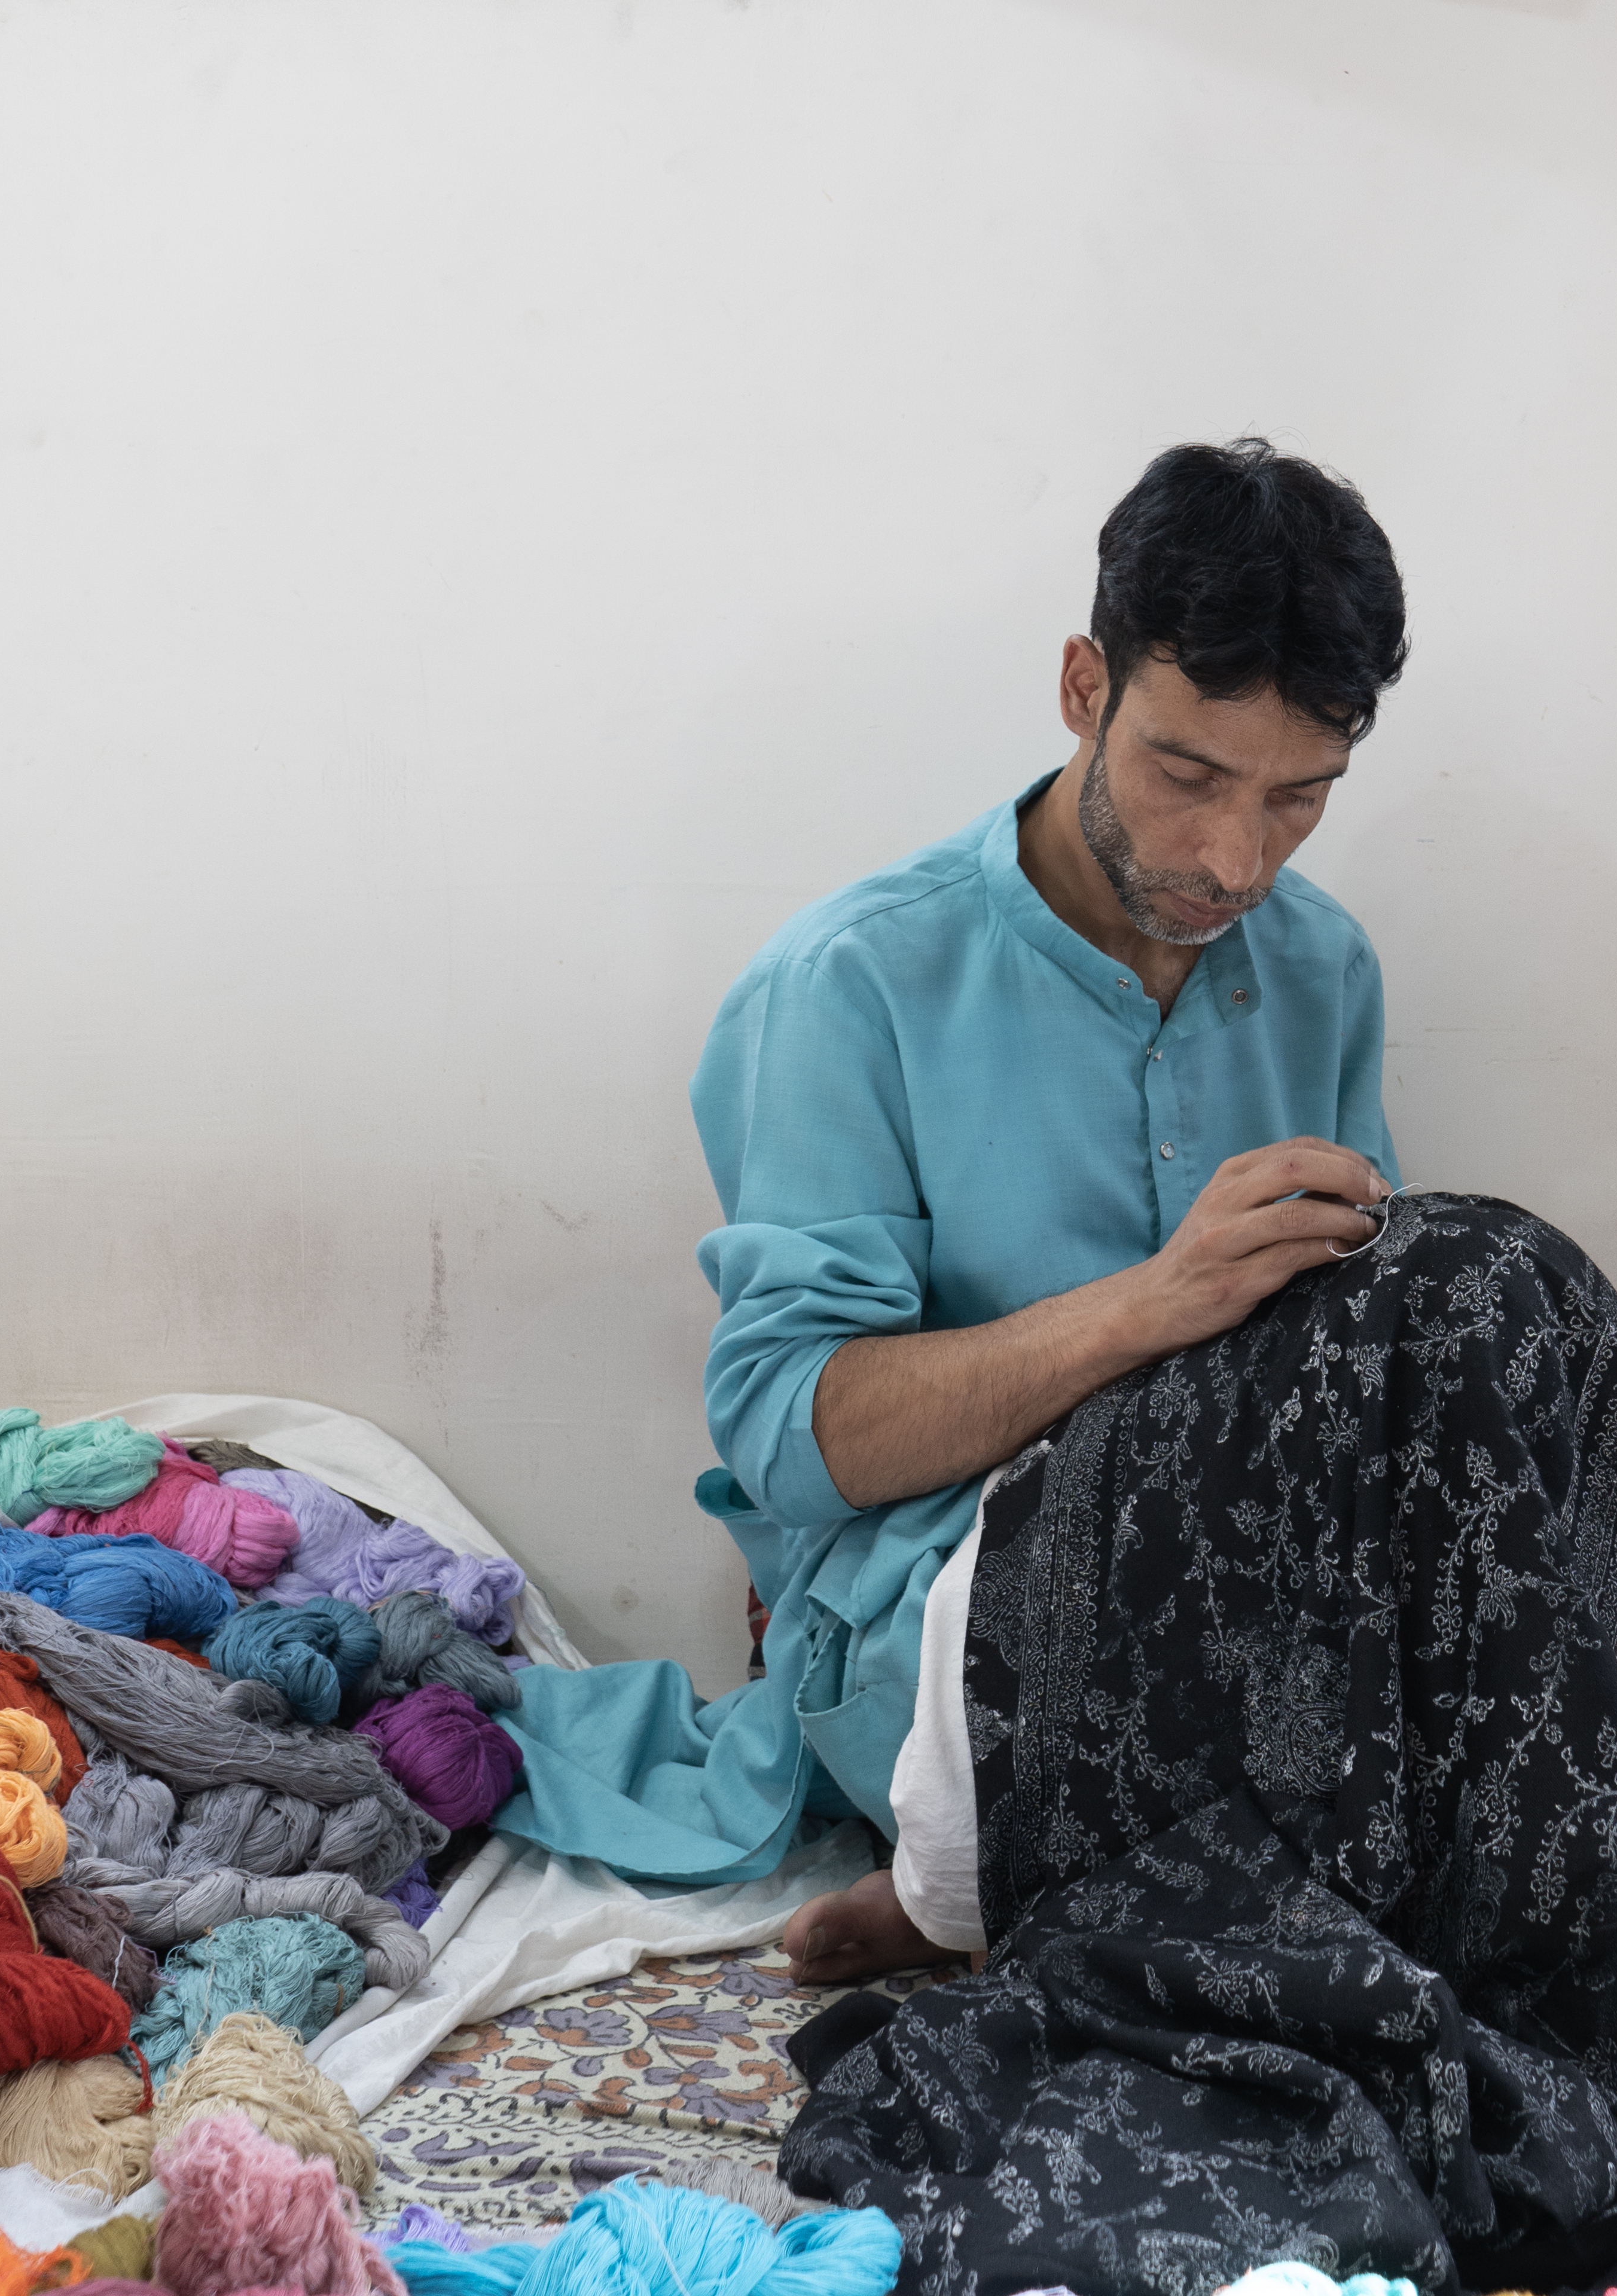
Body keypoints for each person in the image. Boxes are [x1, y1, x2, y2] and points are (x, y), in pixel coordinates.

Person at [495, 437, 1412, 1955]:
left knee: (1518, 1375)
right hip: (945, 1612)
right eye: (1186, 774)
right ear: (1083, 688)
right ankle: (982, 1879)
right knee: (1322, 1782)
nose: (1233, 855)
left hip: (1238, 1552)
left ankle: (990, 1905)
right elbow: (798, 1436)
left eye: (1299, 798)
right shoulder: (855, 985)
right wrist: (1153, 1307)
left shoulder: (1324, 969)